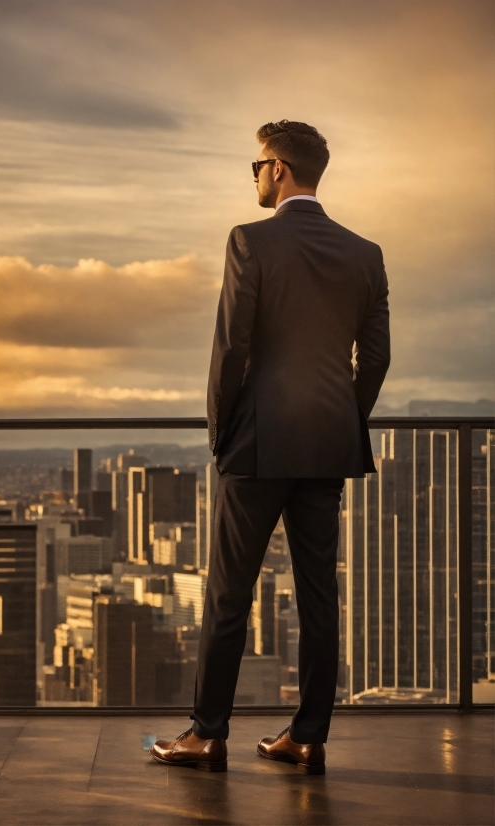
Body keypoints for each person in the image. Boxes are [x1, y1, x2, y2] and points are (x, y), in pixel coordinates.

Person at [151, 120, 390, 774]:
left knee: (229, 595)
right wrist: (344, 418)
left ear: (279, 169)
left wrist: (221, 431)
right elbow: (376, 358)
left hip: (256, 441)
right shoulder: (365, 254)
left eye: (256, 165)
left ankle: (207, 734)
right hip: (328, 445)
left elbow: (231, 349)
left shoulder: (249, 242)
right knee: (319, 596)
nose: (254, 176)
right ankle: (308, 736)